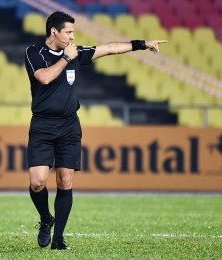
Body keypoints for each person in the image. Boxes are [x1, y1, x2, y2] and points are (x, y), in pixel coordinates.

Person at [24, 11, 166, 250]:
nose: (72, 36)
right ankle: (46, 219)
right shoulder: (33, 53)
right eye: (68, 31)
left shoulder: (76, 52)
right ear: (54, 32)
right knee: (37, 182)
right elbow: (45, 78)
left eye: (73, 32)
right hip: (42, 125)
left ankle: (58, 238)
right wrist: (67, 59)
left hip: (69, 125)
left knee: (65, 180)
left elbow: (109, 48)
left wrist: (143, 44)